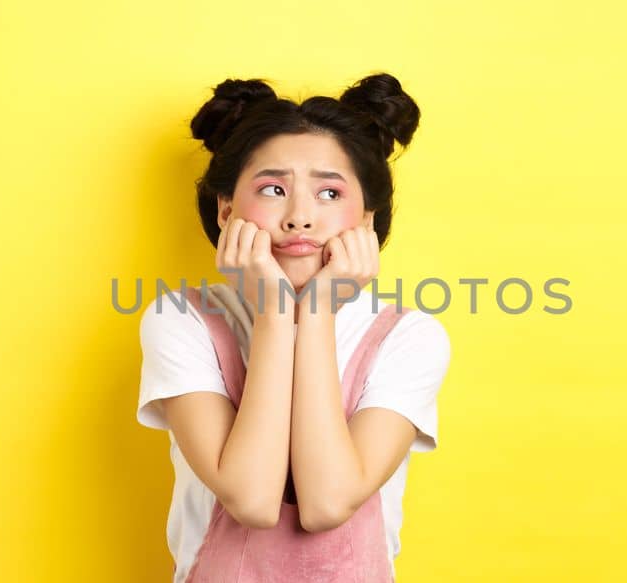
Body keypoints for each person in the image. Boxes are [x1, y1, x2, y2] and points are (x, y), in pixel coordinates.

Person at [135, 72, 450, 582]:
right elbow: (253, 501)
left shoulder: (409, 338)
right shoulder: (181, 320)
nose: (300, 217)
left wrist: (318, 311)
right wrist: (277, 314)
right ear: (226, 209)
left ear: (367, 220)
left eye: (329, 193)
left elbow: (327, 504)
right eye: (274, 189)